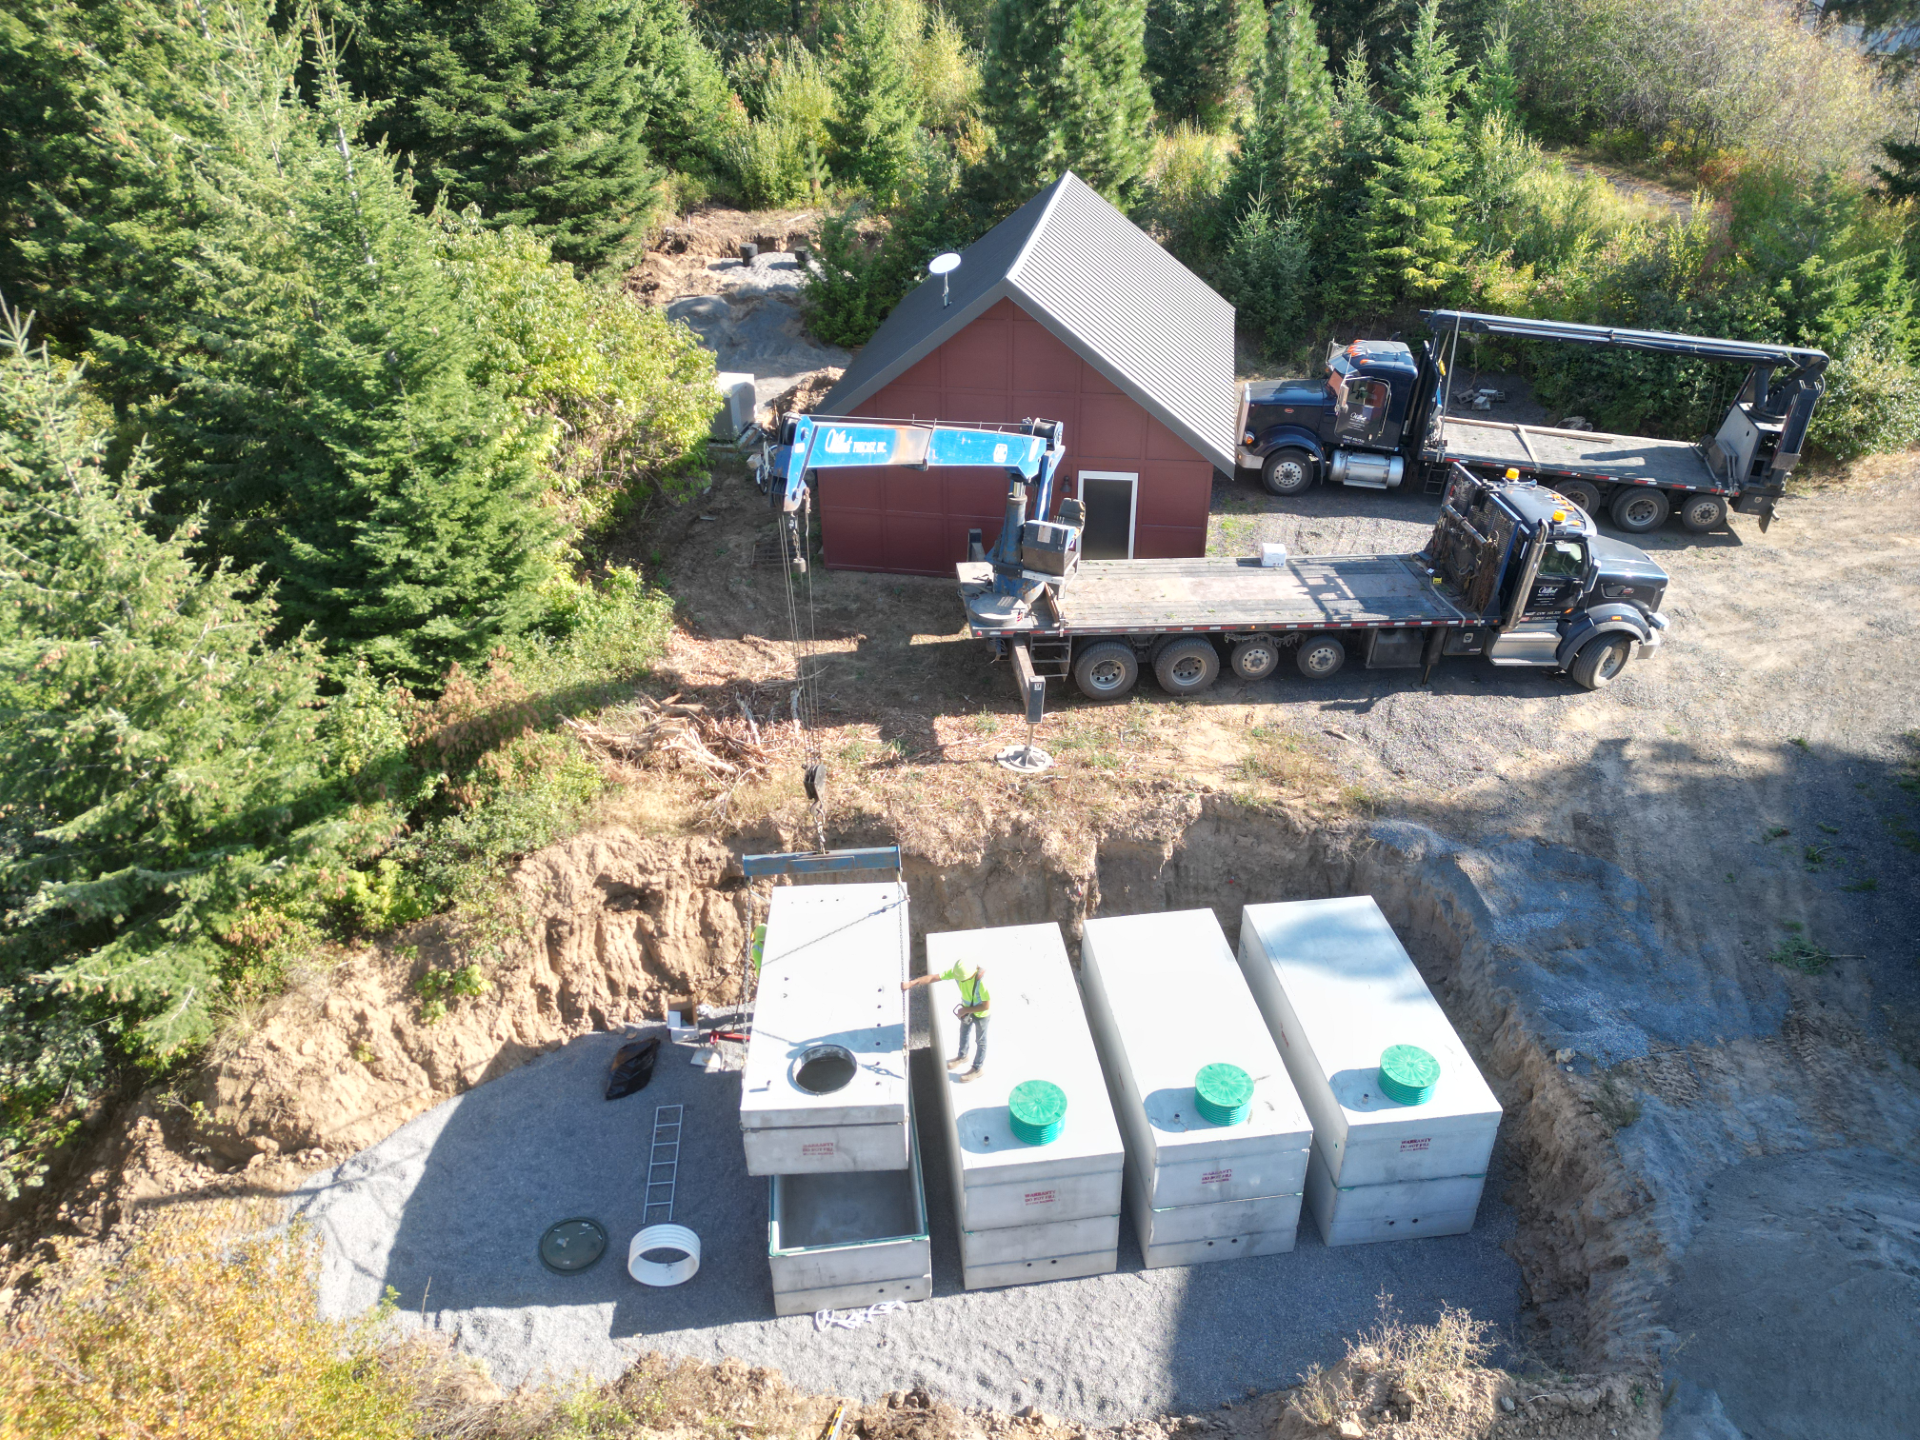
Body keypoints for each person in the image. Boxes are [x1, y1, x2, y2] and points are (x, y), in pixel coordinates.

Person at [903, 960, 991, 1081]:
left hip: (981, 1015)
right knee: (964, 1033)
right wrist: (911, 983)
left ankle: (977, 1068)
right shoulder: (958, 973)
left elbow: (986, 1005)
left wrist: (966, 1010)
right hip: (967, 1011)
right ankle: (962, 1056)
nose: (959, 981)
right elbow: (934, 977)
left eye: (962, 980)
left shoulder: (981, 982)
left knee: (981, 1041)